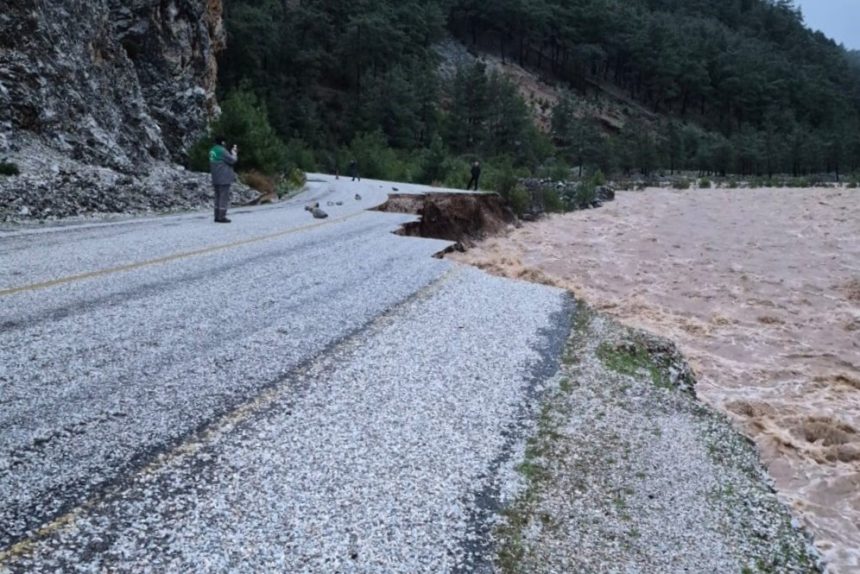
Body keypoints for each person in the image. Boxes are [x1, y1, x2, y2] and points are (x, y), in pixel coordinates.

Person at [209, 136, 238, 223]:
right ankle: (222, 216)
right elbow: (232, 160)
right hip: (224, 177)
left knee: (217, 197)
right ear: (222, 142)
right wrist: (234, 153)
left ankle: (216, 215)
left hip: (215, 176)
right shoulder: (222, 151)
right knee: (223, 197)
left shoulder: (212, 150)